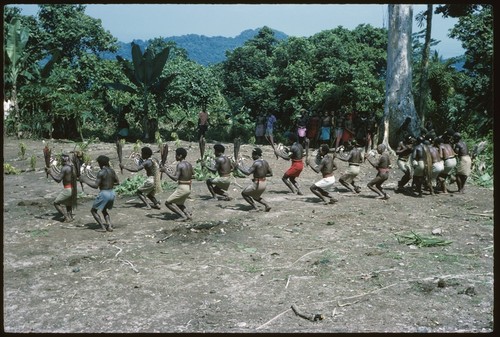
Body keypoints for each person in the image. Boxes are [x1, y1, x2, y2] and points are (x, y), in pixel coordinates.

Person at [80, 155, 120, 232]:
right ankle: (109, 226)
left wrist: (85, 180)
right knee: (104, 210)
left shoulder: (101, 172)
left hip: (104, 193)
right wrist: (109, 184)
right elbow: (117, 182)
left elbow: (95, 186)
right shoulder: (112, 171)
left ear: (100, 163)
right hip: (112, 193)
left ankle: (102, 227)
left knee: (93, 211)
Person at [162, 147, 194, 221]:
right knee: (179, 203)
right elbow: (193, 174)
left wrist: (165, 171)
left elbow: (175, 178)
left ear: (180, 156)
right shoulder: (189, 164)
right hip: (188, 188)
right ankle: (188, 215)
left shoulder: (180, 165)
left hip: (182, 188)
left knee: (168, 203)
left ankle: (183, 216)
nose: (175, 156)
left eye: (176, 155)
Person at [237, 147, 273, 212]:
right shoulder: (265, 162)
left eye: (252, 154)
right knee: (255, 196)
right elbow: (271, 174)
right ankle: (267, 205)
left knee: (244, 193)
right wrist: (262, 175)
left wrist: (238, 167)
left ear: (256, 155)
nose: (252, 156)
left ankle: (255, 208)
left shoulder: (256, 163)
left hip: (257, 183)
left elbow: (248, 173)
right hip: (264, 183)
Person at [45, 153, 78, 222]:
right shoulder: (73, 167)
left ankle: (66, 217)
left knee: (56, 203)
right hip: (73, 189)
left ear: (64, 160)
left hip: (68, 189)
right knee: (68, 204)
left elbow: (58, 179)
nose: (61, 162)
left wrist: (50, 173)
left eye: (61, 160)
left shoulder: (65, 168)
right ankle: (70, 217)